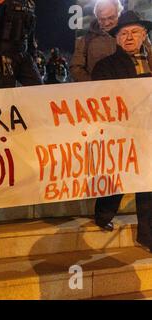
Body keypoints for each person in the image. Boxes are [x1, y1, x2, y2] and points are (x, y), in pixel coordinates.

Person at [91, 11, 152, 248]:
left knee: (148, 183)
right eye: (124, 33)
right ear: (116, 39)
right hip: (122, 132)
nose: (129, 37)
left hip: (149, 132)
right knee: (117, 178)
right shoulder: (105, 66)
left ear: (144, 34)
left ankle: (147, 236)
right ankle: (103, 215)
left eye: (135, 32)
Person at [0, 0, 42, 88]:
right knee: (6, 92)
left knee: (39, 87)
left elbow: (30, 34)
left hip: (24, 54)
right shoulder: (1, 2)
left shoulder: (30, 4)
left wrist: (34, 55)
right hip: (4, 54)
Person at [70, 0, 123, 82]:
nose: (106, 23)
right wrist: (92, 84)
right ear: (96, 17)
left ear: (118, 14)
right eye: (101, 19)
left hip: (129, 89)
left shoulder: (132, 34)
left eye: (111, 18)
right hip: (98, 92)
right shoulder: (86, 40)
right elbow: (75, 67)